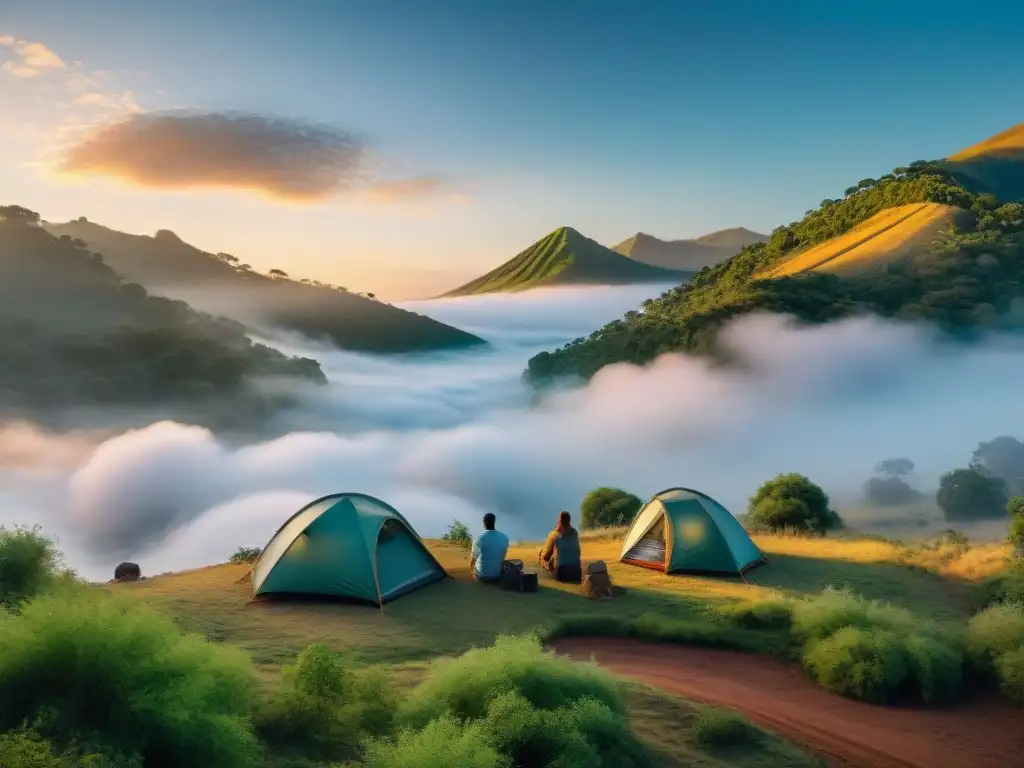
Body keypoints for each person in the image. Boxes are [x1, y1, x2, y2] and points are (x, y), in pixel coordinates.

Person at [539, 510, 582, 583]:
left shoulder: (555, 534)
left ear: (559, 521)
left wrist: (544, 560)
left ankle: (551, 569)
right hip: (577, 573)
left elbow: (546, 556)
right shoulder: (575, 533)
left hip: (562, 574)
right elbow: (578, 552)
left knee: (542, 558)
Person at [471, 512, 509, 583]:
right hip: (498, 576)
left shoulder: (478, 538)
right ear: (494, 522)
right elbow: (502, 557)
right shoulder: (504, 537)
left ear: (483, 522)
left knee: (473, 566)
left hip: (482, 577)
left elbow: (473, 560)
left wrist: (471, 573)